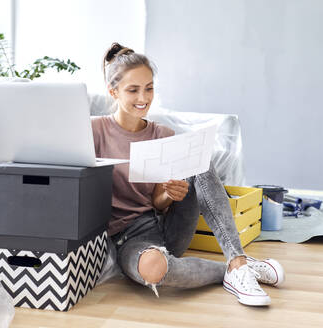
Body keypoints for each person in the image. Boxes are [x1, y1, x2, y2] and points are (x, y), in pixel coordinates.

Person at [91, 42, 285, 306]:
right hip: (129, 239)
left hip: (169, 228)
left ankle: (237, 260)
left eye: (149, 88)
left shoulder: (162, 134)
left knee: (201, 160)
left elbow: (157, 203)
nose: (143, 98)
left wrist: (169, 195)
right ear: (113, 91)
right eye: (133, 90)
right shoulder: (94, 130)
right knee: (153, 270)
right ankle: (234, 271)